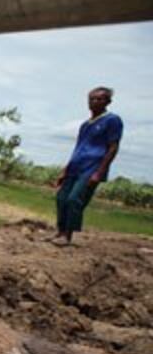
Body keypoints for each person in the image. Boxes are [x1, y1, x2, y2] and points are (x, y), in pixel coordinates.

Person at [52, 86, 123, 245]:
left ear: (108, 102)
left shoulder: (112, 120)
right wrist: (65, 170)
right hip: (76, 165)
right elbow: (78, 148)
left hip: (92, 167)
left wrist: (100, 172)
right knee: (61, 197)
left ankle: (67, 236)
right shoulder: (85, 125)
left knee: (74, 199)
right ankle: (60, 231)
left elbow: (113, 147)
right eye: (91, 99)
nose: (94, 102)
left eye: (99, 99)